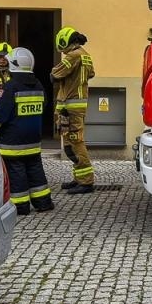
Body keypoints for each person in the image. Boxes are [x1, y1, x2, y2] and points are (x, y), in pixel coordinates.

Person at [0, 47, 54, 216]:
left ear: (12, 65)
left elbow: (0, 115)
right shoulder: (39, 84)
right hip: (33, 140)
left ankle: (20, 206)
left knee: (16, 172)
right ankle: (43, 202)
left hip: (12, 142)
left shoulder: (11, 87)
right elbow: (44, 105)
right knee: (35, 170)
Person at [51, 26, 95, 192]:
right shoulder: (85, 55)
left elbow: (54, 75)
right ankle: (79, 177)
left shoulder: (73, 55)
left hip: (70, 105)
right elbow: (91, 74)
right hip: (73, 105)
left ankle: (86, 182)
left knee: (76, 142)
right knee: (70, 143)